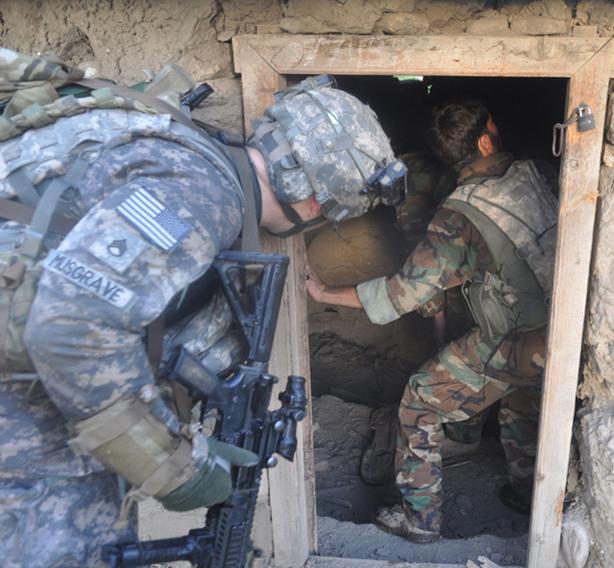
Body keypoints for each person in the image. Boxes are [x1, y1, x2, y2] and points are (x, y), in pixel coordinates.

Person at [0, 49, 399, 567]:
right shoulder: (202, 190)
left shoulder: (181, 148)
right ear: (319, 203)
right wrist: (175, 467)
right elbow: (73, 325)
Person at [306, 98, 558, 542]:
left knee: (421, 399)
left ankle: (420, 520)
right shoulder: (538, 173)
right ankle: (524, 490)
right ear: (485, 140)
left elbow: (401, 293)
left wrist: (323, 292)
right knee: (523, 393)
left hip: (523, 337)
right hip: (564, 329)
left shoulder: (459, 215)